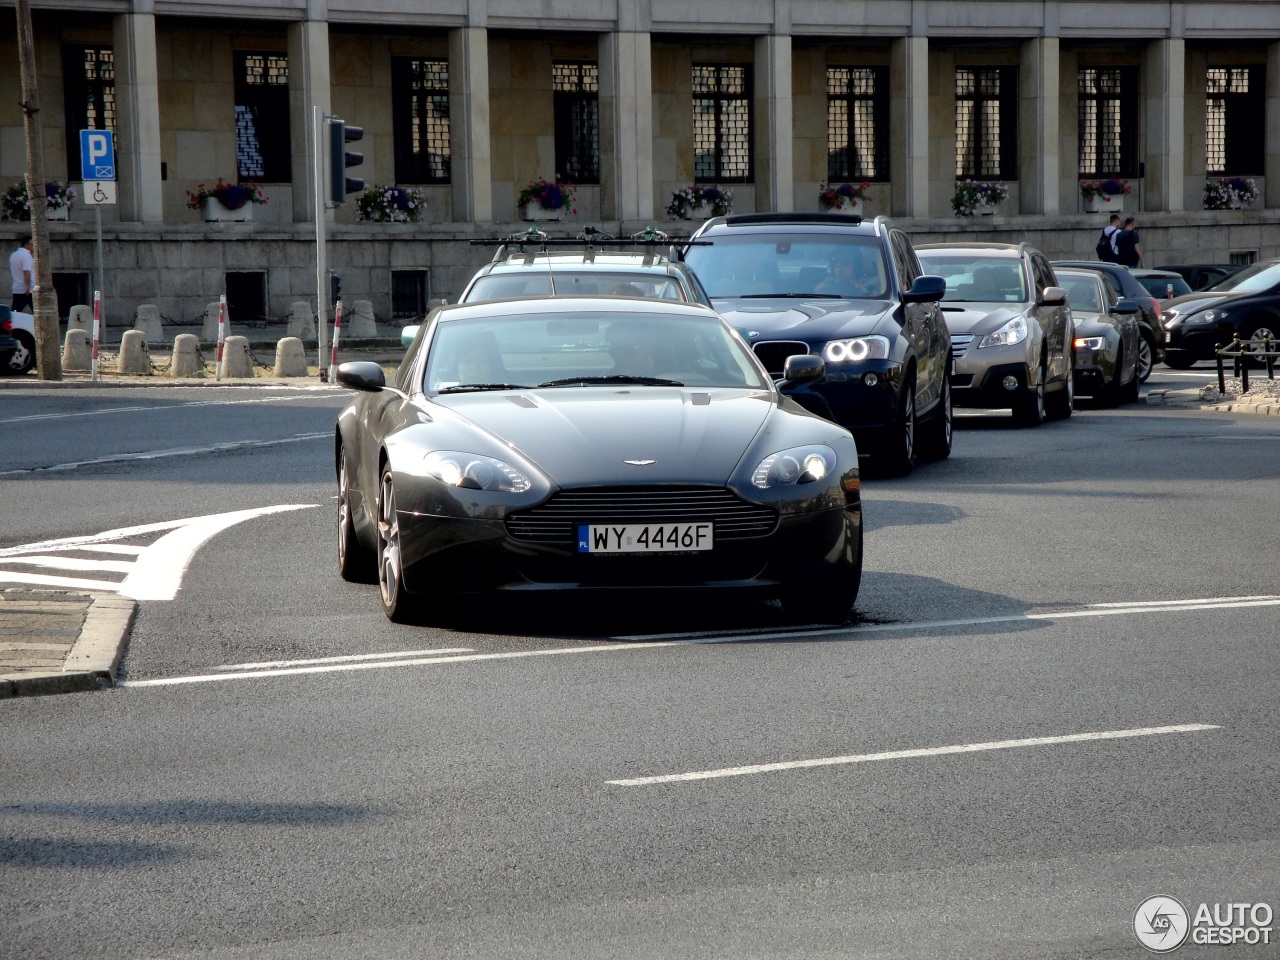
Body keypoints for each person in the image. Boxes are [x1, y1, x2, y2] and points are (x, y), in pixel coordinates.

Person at [815, 248, 880, 297]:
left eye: (844, 261)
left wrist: (864, 293)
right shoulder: (823, 287)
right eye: (834, 261)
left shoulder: (869, 290)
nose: (838, 265)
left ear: (856, 265)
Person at [9, 234, 32, 313]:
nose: (33, 247)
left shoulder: (13, 255)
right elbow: (26, 272)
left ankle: (11, 324)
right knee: (38, 311)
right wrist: (28, 287)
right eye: (32, 244)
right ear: (26, 244)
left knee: (15, 311)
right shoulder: (26, 255)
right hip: (28, 290)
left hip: (17, 288)